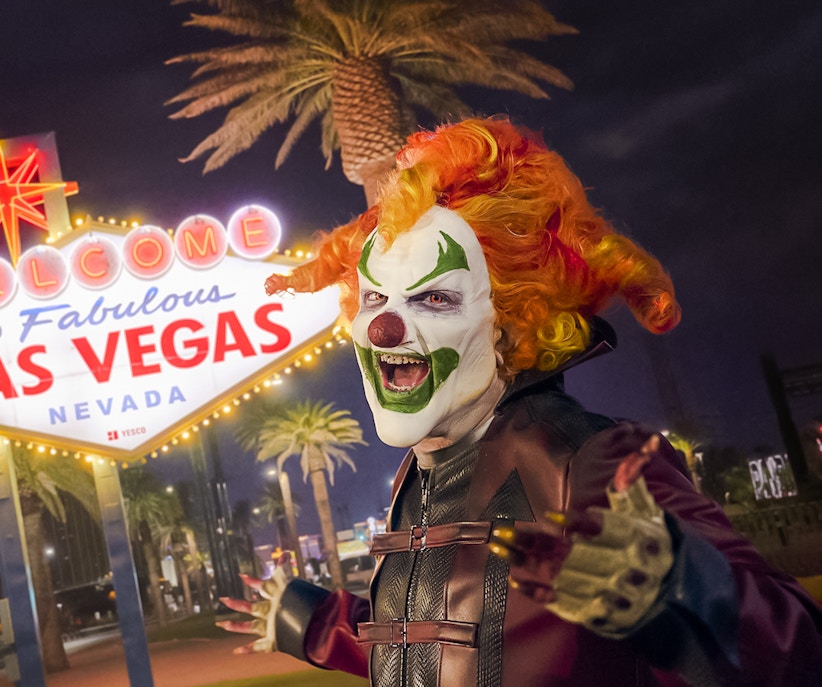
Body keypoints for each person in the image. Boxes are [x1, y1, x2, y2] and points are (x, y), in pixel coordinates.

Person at [218, 117, 822, 686]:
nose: (385, 329)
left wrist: (680, 587)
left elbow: (801, 651)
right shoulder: (423, 468)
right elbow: (460, 644)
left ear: (510, 322)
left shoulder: (594, 462)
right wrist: (317, 624)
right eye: (375, 301)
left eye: (433, 301)